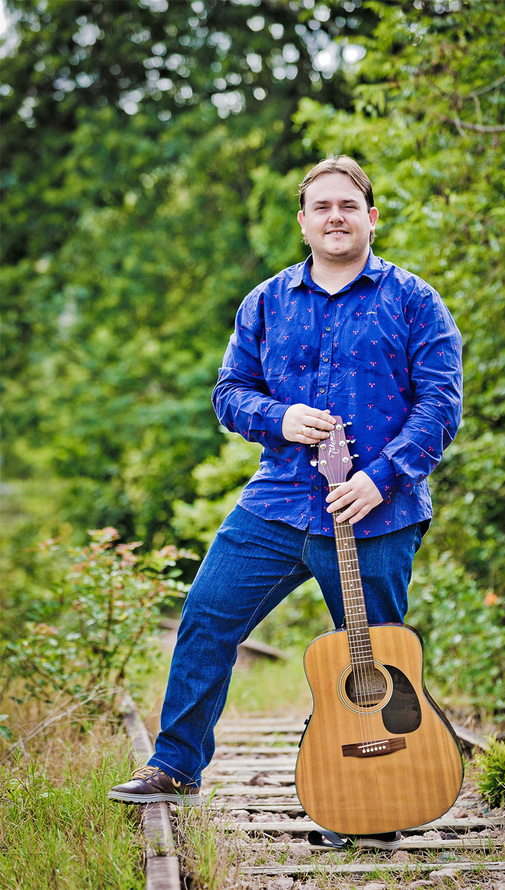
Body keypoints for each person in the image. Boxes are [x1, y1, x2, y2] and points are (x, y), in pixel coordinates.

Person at [110, 155, 463, 808]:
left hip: (378, 514)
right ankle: (176, 768)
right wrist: (280, 415)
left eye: (348, 205)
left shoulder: (415, 301)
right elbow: (229, 393)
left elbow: (441, 405)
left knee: (377, 669)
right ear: (304, 221)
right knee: (206, 620)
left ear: (372, 219)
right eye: (322, 206)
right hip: (276, 505)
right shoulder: (265, 302)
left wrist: (381, 479)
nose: (336, 216)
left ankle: (367, 795)